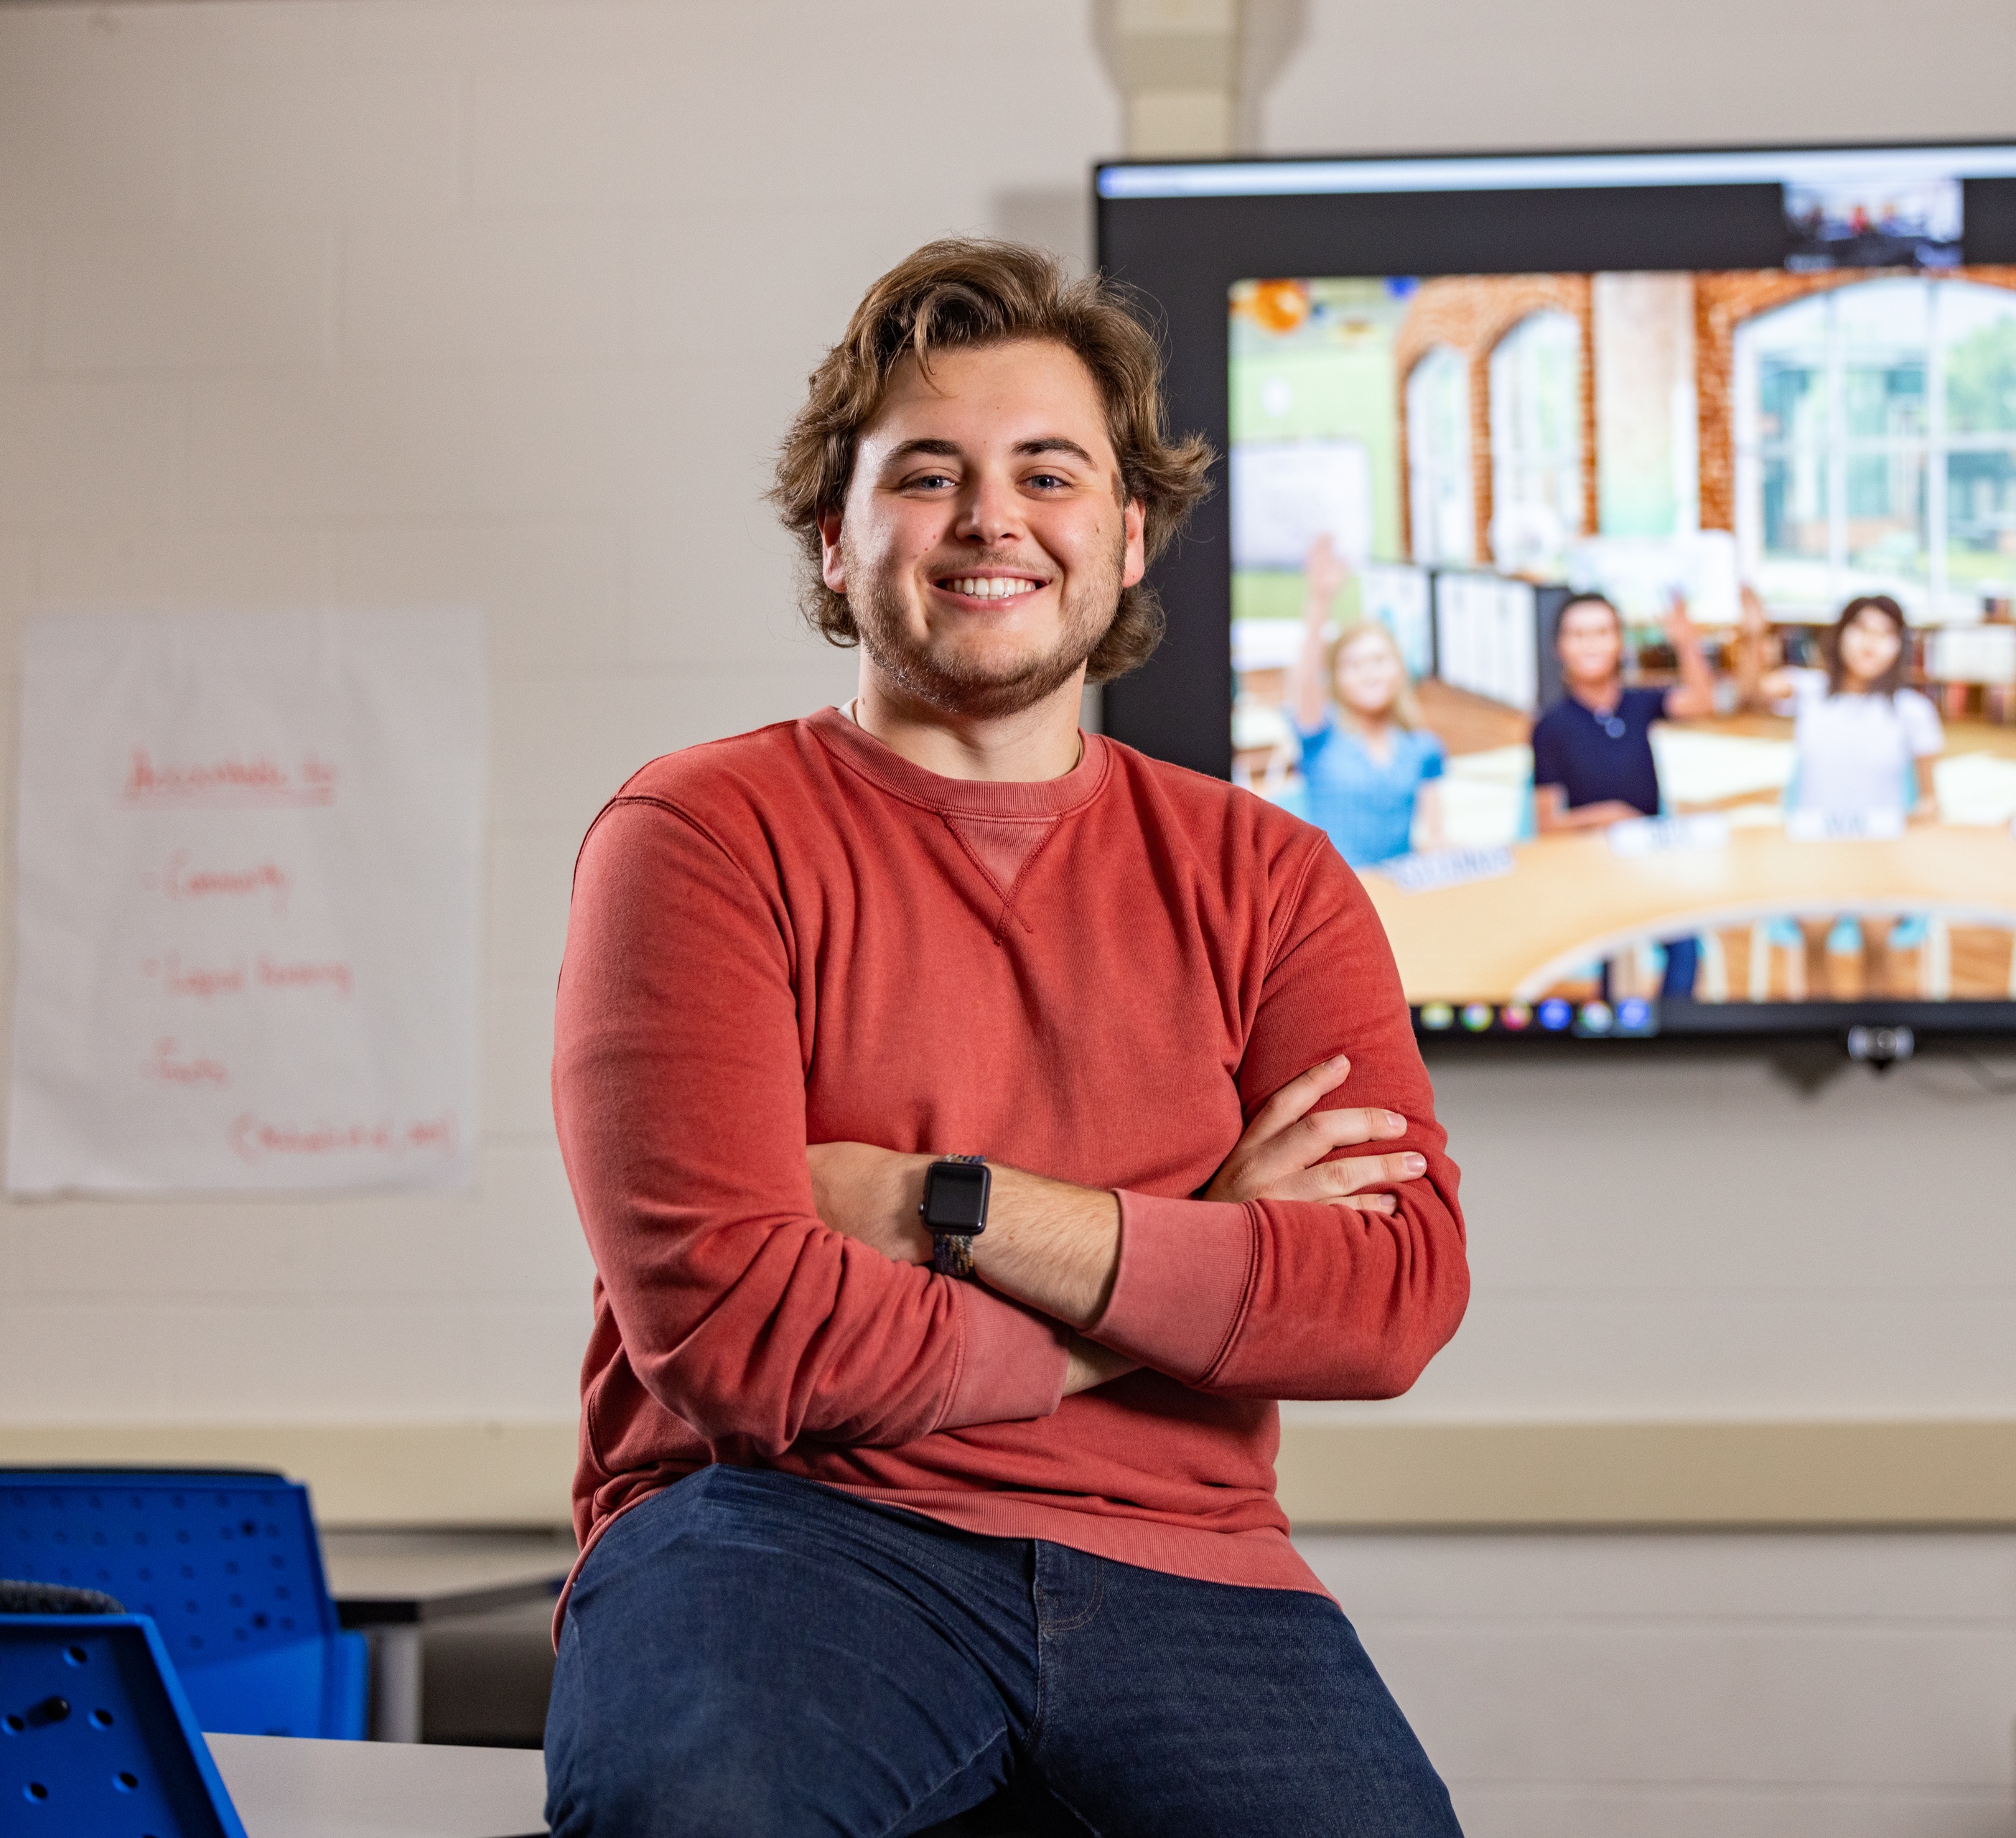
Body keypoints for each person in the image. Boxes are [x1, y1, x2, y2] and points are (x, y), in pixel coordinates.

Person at [544, 238, 1469, 1837]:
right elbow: (735, 1335)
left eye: (1047, 470)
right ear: (834, 544)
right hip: (781, 1526)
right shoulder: (696, 832)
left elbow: (1387, 1296)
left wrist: (936, 1204)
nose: (991, 518)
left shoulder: (1268, 875)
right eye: (926, 472)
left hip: (1188, 1559)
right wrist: (1191, 1268)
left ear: (1122, 538)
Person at [1530, 589, 1718, 1000]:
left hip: (1646, 860)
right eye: (1578, 634)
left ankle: (1669, 1040)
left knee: (1685, 950)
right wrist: (1608, 816)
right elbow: (1547, 825)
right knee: (1613, 949)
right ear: (1560, 647)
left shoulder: (1638, 704)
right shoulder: (1551, 727)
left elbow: (1702, 702)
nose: (1590, 643)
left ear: (1619, 642)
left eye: (1601, 632)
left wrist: (1686, 643)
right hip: (1591, 865)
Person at [1286, 531, 1446, 866]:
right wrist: (1320, 601)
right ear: (1336, 680)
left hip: (1395, 896)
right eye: (1353, 665)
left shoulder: (1423, 747)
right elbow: (1304, 681)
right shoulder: (1321, 735)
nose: (1368, 673)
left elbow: (1436, 838)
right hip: (1331, 900)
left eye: (1379, 660)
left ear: (1399, 670)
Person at [1763, 593, 1942, 834]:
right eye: (1861, 628)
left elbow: (1929, 802)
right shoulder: (1810, 689)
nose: (1871, 641)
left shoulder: (1913, 710)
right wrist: (1754, 636)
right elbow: (1754, 693)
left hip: (1881, 849)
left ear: (1901, 646)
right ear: (1839, 635)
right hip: (1810, 845)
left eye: (1885, 633)